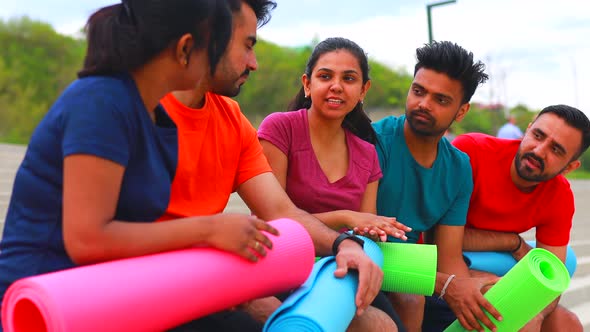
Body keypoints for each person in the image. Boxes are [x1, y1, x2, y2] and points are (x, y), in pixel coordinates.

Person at [0, 1, 278, 330]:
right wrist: (210, 230)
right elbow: (87, 240)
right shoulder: (101, 101)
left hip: (114, 289)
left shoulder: (155, 119)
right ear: (185, 48)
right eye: (215, 48)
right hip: (47, 301)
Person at [159, 2, 388, 331]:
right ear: (204, 40)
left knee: (381, 324)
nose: (253, 63)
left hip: (211, 278)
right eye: (248, 45)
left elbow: (281, 212)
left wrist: (344, 244)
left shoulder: (233, 121)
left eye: (349, 79)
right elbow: (94, 237)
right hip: (144, 289)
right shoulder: (136, 110)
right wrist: (211, 237)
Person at [258, 37, 412, 331]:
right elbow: (271, 222)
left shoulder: (367, 154)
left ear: (363, 89)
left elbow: (365, 234)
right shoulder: (280, 128)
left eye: (349, 78)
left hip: (343, 267)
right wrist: (345, 217)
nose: (336, 86)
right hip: (281, 263)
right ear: (307, 84)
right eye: (325, 76)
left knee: (390, 325)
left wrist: (375, 228)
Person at [372, 41, 501, 332]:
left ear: (461, 111)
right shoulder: (374, 142)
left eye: (441, 100)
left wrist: (469, 294)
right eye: (419, 91)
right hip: (366, 266)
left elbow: (449, 257)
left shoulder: (458, 167)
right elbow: (360, 239)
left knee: (495, 309)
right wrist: (449, 285)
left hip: (416, 275)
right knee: (411, 297)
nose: (423, 104)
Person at [444, 104, 589, 331]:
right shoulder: (471, 151)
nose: (539, 151)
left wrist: (534, 314)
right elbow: (436, 234)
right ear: (527, 130)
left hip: (485, 259)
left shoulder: (559, 194)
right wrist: (513, 242)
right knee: (503, 305)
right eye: (538, 135)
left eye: (556, 150)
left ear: (570, 167)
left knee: (566, 323)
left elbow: (549, 282)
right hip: (439, 258)